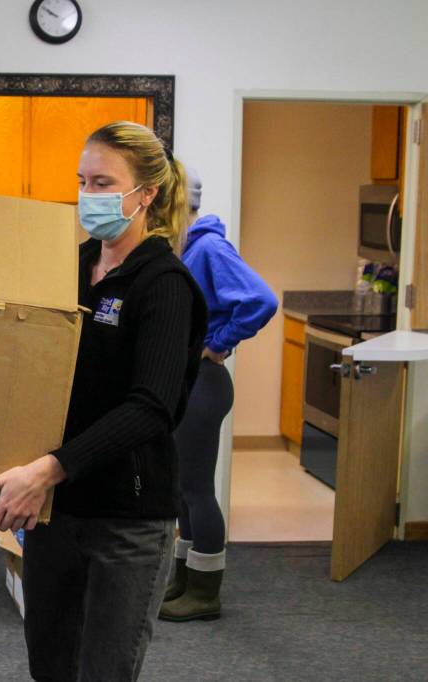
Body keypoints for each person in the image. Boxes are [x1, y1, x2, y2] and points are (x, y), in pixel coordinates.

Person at [0, 121, 207, 681]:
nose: (88, 195)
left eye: (103, 182)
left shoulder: (164, 285)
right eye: (83, 181)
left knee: (104, 671)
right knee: (50, 666)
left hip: (125, 521)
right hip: (55, 511)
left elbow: (151, 406)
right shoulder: (69, 269)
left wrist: (48, 469)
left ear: (146, 194)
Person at [159, 169, 277, 622]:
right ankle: (186, 578)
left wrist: (219, 342)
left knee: (196, 489)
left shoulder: (208, 247)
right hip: (187, 381)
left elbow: (260, 300)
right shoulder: (184, 249)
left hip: (204, 383)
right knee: (183, 492)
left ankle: (205, 592)